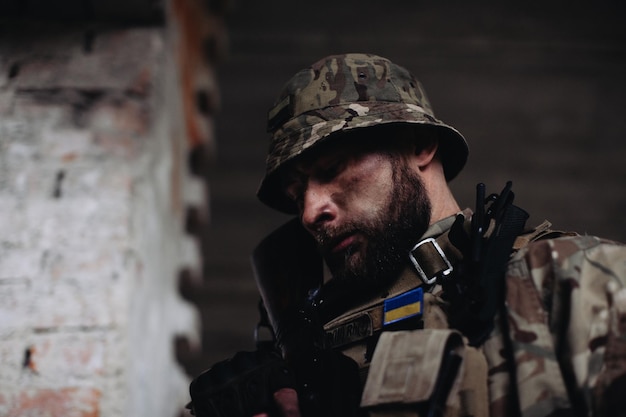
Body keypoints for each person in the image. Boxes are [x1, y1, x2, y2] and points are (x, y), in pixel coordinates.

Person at [187, 53, 626, 417]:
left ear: (418, 145)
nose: (309, 211)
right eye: (296, 192)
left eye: (330, 169)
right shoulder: (295, 355)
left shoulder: (570, 281)